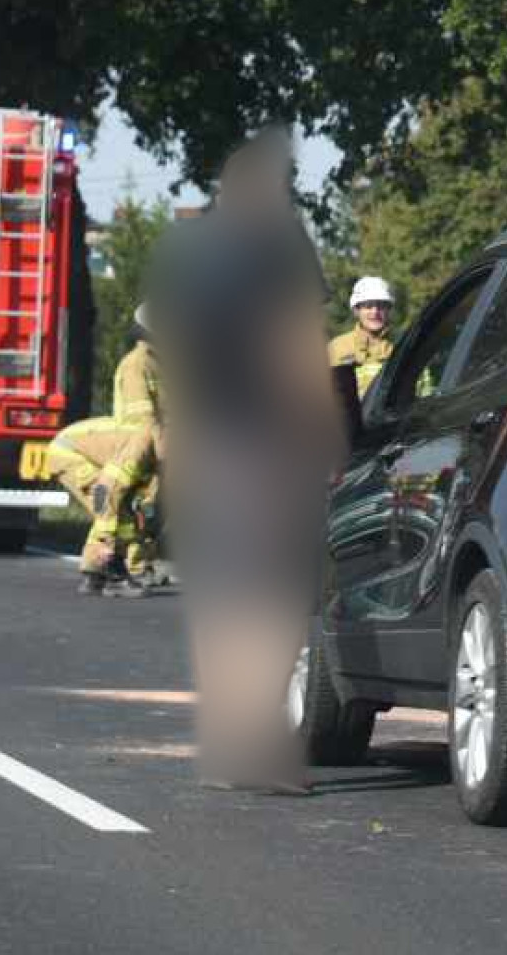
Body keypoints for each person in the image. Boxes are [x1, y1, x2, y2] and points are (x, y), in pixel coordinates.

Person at [147, 129, 346, 796]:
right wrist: (327, 434)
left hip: (202, 439)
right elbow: (295, 342)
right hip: (267, 443)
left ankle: (225, 741)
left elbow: (161, 339)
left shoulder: (183, 246)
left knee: (219, 595)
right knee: (280, 594)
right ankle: (258, 743)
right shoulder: (279, 243)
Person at [42, 415, 158, 599]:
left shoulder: (157, 447)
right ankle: (114, 576)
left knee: (122, 511)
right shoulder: (141, 447)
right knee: (115, 510)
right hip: (68, 454)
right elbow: (106, 491)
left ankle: (95, 575)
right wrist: (107, 539)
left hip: (74, 448)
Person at [112, 305, 169, 587]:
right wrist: (162, 451)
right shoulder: (138, 364)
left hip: (153, 448)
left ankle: (139, 563)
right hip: (137, 449)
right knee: (133, 510)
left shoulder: (159, 364)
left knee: (149, 511)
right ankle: (125, 565)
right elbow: (143, 418)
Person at [328, 276, 398, 393]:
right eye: (368, 306)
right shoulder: (337, 348)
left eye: (381, 306)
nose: (375, 312)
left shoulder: (402, 346)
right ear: (356, 310)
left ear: (389, 309)